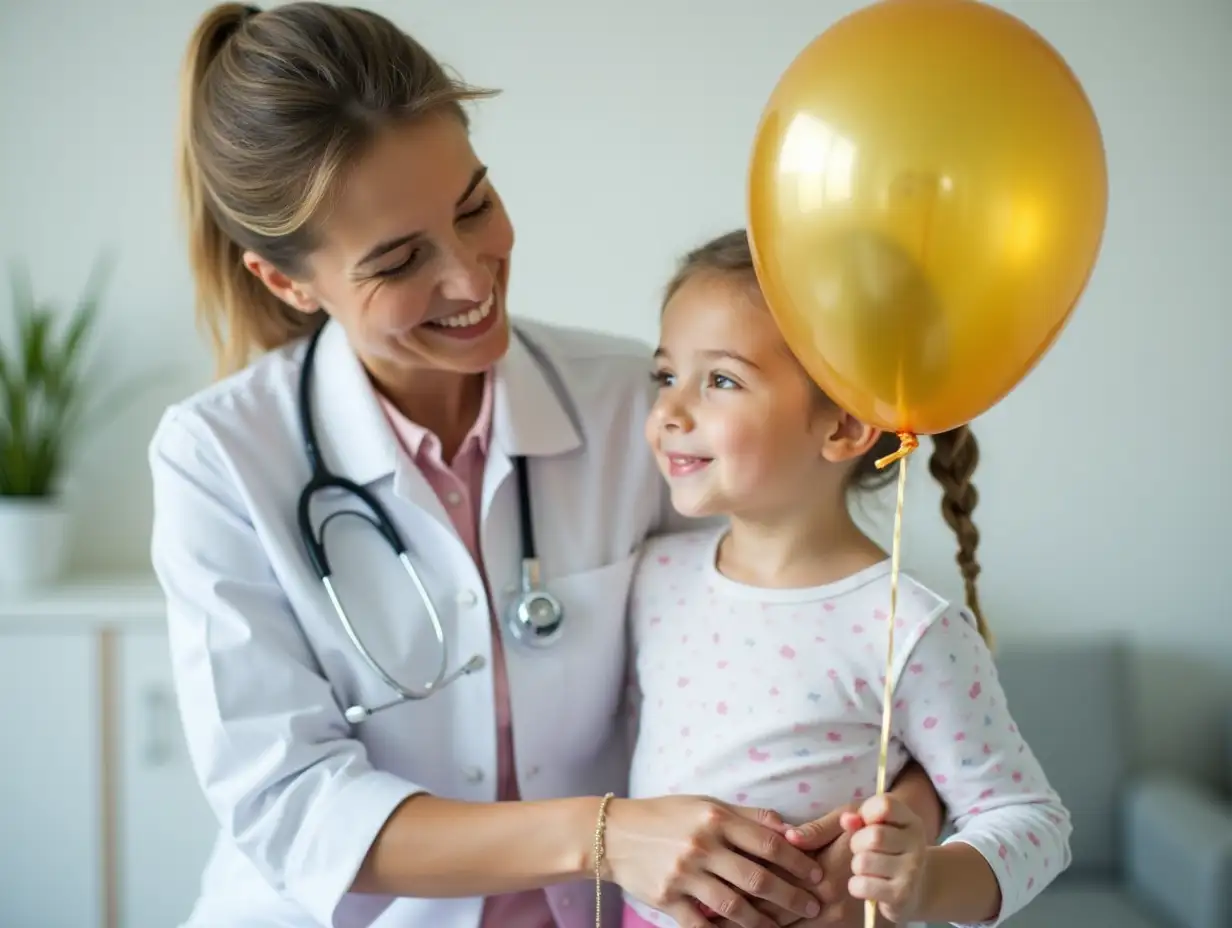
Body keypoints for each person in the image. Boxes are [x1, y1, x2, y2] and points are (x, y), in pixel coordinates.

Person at [153, 4, 946, 927]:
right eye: (402, 260)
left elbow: (833, 639)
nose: (471, 277)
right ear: (287, 283)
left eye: (475, 206)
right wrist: (602, 834)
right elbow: (290, 807)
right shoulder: (219, 457)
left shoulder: (644, 405)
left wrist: (906, 820)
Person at [621, 230, 1073, 928]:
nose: (670, 412)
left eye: (721, 381)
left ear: (841, 426)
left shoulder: (908, 626)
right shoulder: (654, 577)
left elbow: (1032, 820)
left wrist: (924, 883)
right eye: (665, 375)